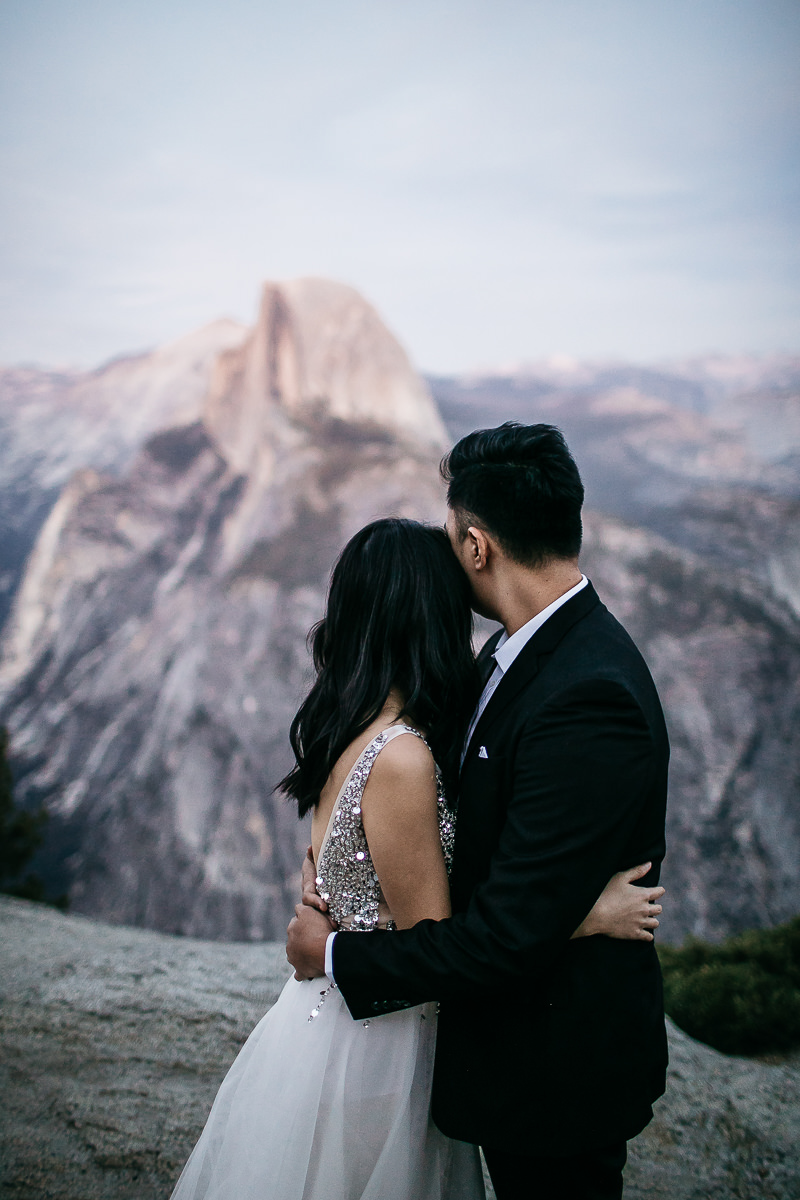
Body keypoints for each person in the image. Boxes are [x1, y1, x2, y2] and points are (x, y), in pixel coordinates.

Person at [171, 515, 665, 1200]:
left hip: (335, 1030)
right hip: (380, 1051)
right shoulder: (402, 757)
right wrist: (580, 913)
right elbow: (441, 944)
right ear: (431, 614)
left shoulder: (348, 721)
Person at [287, 425, 670, 1200]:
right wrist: (577, 911)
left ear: (477, 546)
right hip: (484, 1050)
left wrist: (331, 954)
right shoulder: (507, 653)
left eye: (448, 531)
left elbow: (503, 939)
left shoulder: (589, 693)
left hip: (553, 1076)